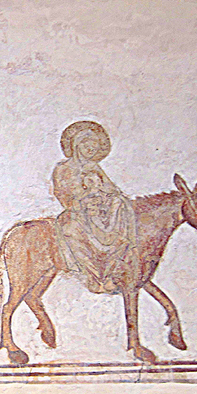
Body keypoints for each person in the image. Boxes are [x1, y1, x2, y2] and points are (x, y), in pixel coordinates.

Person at [53, 120, 135, 293]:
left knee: (120, 222)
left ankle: (110, 273)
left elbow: (112, 189)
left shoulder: (94, 167)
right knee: (70, 230)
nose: (90, 149)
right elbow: (62, 193)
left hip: (99, 213)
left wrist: (108, 196)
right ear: (76, 145)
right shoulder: (63, 168)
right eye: (86, 144)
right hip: (77, 214)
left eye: (94, 146)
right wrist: (82, 199)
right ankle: (93, 276)